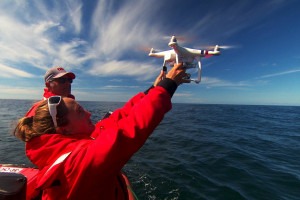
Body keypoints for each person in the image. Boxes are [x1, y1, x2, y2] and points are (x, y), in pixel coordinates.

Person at [14, 63, 189, 200]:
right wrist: (168, 86)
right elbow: (128, 131)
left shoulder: (70, 140)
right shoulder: (78, 162)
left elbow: (118, 120)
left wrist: (153, 90)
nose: (89, 113)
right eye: (81, 112)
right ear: (63, 128)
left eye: (69, 80)